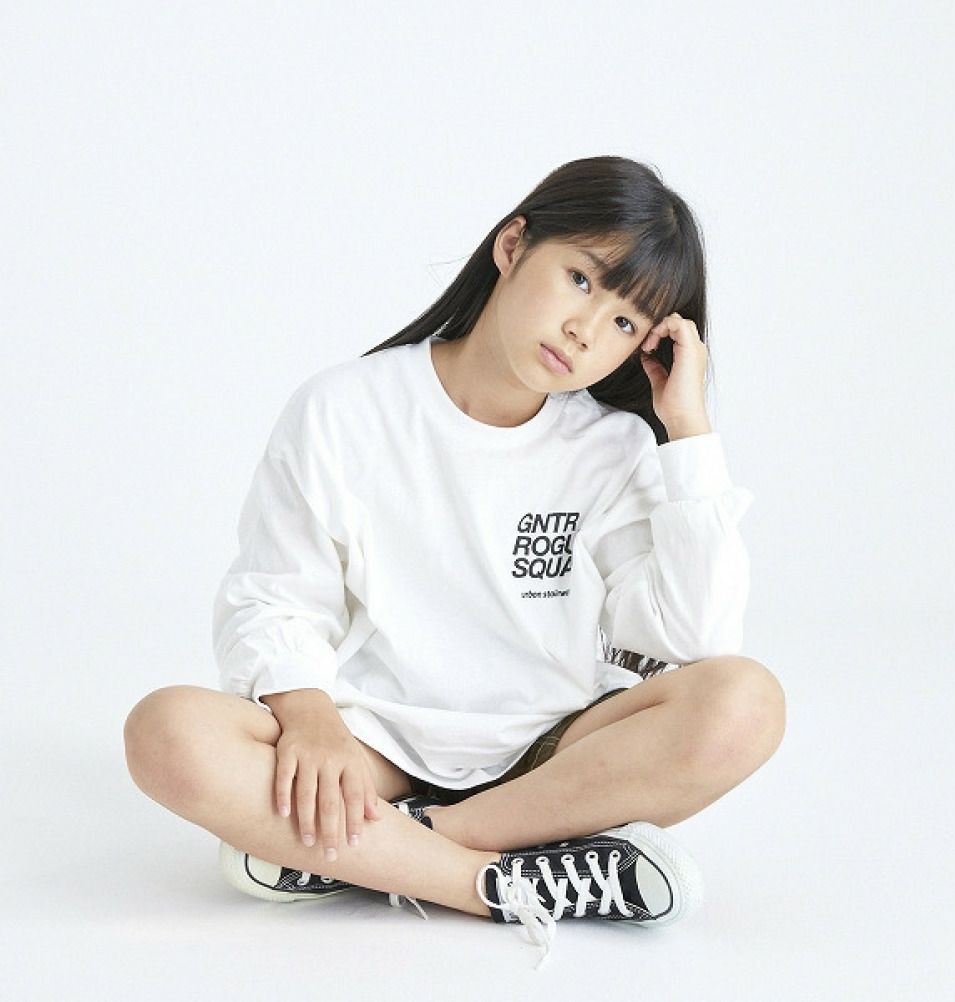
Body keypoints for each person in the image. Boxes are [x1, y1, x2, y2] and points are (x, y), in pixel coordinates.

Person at [123, 154, 785, 968]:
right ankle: (493, 882)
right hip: (373, 745)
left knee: (747, 703)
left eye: (624, 323)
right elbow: (276, 593)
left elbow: (695, 639)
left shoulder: (612, 447)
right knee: (168, 733)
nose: (585, 330)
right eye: (581, 279)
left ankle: (384, 849)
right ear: (513, 245)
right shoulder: (346, 407)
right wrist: (314, 723)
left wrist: (689, 432)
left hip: (546, 754)